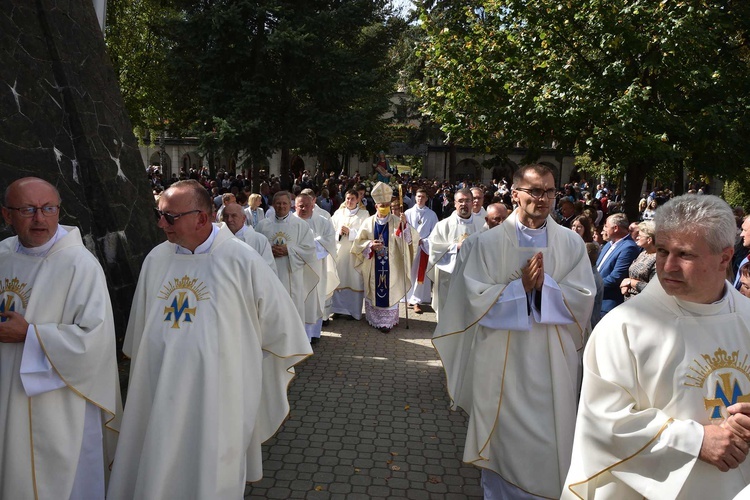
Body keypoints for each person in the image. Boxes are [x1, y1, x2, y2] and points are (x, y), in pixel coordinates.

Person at [108, 180, 311, 499]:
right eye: (159, 214)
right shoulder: (156, 259)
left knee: (210, 469)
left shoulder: (240, 259)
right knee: (158, 461)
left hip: (218, 393)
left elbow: (281, 326)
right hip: (160, 385)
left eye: (170, 217)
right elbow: (140, 333)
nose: (162, 224)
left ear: (201, 218)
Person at [563, 194, 750, 499]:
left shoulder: (747, 318)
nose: (668, 267)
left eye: (685, 254)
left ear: (725, 257)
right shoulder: (623, 327)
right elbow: (603, 421)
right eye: (662, 251)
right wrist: (694, 441)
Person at [433, 164, 596, 499]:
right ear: (515, 193)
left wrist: (545, 287)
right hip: (500, 361)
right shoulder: (486, 243)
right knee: (501, 443)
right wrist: (519, 288)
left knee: (551, 439)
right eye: (534, 191)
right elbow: (471, 299)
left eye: (549, 191)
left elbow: (583, 300)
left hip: (553, 362)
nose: (543, 198)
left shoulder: (571, 243)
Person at [0, 177, 120, 499]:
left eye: (48, 208)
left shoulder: (80, 265)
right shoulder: (2, 255)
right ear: (6, 215)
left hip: (58, 404)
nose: (40, 218)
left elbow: (94, 341)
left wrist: (31, 335)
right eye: (28, 209)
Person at [352, 182, 418, 333]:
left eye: (387, 205)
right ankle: (374, 319)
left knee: (390, 289)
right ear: (376, 206)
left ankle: (388, 322)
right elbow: (358, 244)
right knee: (375, 289)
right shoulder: (368, 223)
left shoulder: (396, 221)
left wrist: (405, 226)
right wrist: (369, 245)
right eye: (382, 205)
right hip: (373, 263)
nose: (385, 208)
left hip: (392, 265)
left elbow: (409, 240)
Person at [256, 191, 318, 325]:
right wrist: (268, 251)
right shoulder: (262, 225)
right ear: (272, 205)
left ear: (290, 204)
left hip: (291, 275)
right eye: (278, 203)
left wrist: (288, 250)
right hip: (269, 274)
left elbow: (309, 250)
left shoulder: (301, 225)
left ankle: (294, 341)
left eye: (284, 203)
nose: (281, 206)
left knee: (292, 309)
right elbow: (254, 248)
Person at [427, 188, 479, 321]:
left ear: (473, 203)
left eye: (467, 200)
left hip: (474, 278)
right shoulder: (443, 225)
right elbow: (433, 249)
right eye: (460, 201)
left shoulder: (482, 225)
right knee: (447, 314)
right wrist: (456, 247)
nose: (464, 204)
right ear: (455, 203)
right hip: (448, 278)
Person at [294, 193, 338, 344]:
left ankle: (311, 334)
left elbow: (329, 241)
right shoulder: (289, 222)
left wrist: (306, 247)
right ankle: (295, 335)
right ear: (295, 206)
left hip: (315, 268)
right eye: (301, 206)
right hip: (294, 271)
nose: (304, 209)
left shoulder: (323, 222)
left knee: (313, 300)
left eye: (307, 205)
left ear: (313, 205)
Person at [330, 190, 369, 320]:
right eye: (347, 198)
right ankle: (337, 309)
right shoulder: (338, 213)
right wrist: (339, 233)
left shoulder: (364, 214)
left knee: (354, 280)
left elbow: (366, 233)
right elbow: (330, 230)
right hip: (340, 252)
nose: (349, 201)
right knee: (339, 279)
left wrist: (351, 232)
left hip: (354, 254)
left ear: (358, 200)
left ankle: (353, 311)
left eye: (352, 199)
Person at [596, 213, 641, 316]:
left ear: (615, 228)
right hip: (596, 299)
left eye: (606, 226)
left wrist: (592, 284)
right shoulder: (608, 244)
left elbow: (616, 277)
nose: (604, 229)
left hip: (607, 305)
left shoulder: (628, 248)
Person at [403, 188, 439, 315]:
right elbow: (403, 230)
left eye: (423, 197)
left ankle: (416, 301)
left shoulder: (431, 215)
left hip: (423, 247)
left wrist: (423, 241)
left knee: (420, 274)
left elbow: (435, 234)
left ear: (426, 198)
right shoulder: (407, 213)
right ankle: (408, 297)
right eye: (418, 196)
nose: (420, 199)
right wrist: (411, 238)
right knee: (409, 274)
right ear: (415, 197)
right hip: (410, 247)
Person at [221, 202, 277, 273]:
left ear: (243, 219)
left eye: (234, 216)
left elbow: (269, 271)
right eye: (226, 216)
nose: (229, 219)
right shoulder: (219, 239)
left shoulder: (259, 240)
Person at [619, 220, 657, 299]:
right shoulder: (643, 254)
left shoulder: (657, 260)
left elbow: (653, 289)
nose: (637, 237)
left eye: (640, 236)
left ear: (649, 240)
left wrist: (630, 282)